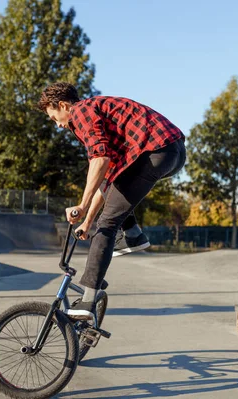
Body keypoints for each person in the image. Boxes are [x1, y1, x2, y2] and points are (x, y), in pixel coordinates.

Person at [38, 82, 186, 319]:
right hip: (168, 151)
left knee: (106, 227)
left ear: (64, 105)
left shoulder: (81, 112)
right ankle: (134, 234)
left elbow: (99, 160)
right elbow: (107, 178)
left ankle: (87, 302)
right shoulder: (99, 112)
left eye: (54, 117)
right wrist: (87, 221)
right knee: (114, 187)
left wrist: (82, 205)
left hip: (156, 151)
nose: (57, 124)